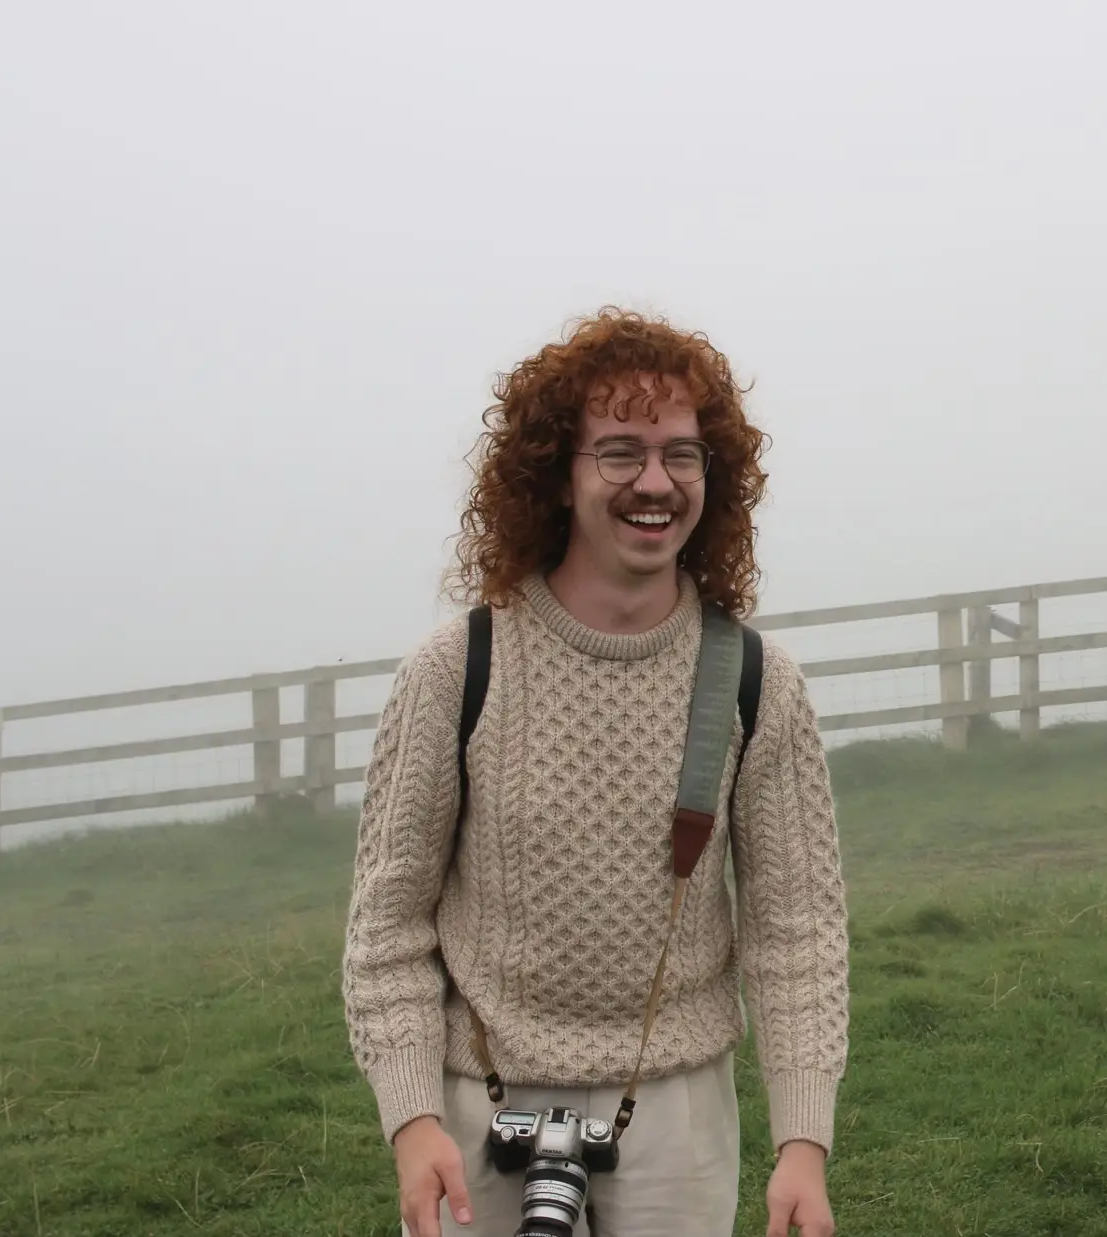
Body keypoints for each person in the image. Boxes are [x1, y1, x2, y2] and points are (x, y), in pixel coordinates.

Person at [342, 308, 848, 1237]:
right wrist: (413, 1120)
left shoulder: (753, 681)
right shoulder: (457, 669)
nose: (654, 482)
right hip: (474, 1112)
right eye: (618, 452)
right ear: (556, 477)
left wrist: (803, 1145)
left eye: (681, 455)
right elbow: (387, 926)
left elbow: (797, 932)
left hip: (678, 1120)